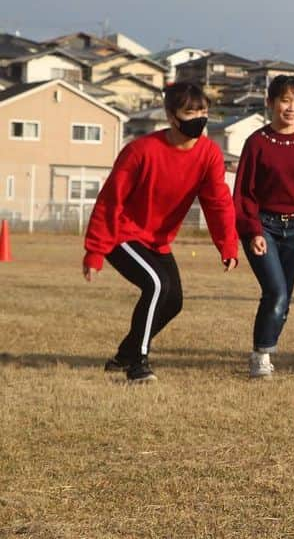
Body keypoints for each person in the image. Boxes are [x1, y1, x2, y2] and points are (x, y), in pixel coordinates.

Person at [83, 82, 238, 383]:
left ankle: (124, 354)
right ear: (170, 116)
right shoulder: (140, 151)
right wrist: (95, 250)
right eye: (190, 112)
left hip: (157, 241)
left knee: (174, 301)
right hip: (122, 234)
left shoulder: (209, 154)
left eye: (203, 112)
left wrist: (228, 245)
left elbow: (218, 202)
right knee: (156, 286)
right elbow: (110, 200)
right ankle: (137, 364)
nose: (199, 119)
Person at [234, 75, 294, 379]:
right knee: (275, 292)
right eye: (286, 100)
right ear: (271, 103)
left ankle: (266, 347)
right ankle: (261, 355)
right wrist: (252, 231)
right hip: (264, 226)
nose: (292, 108)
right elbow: (243, 193)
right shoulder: (257, 143)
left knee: (284, 298)